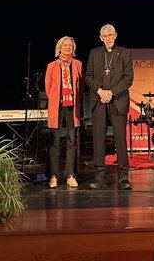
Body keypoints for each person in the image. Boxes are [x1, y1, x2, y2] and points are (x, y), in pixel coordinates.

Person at [85, 24, 134, 190]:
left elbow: (128, 79)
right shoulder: (94, 52)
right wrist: (100, 91)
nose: (107, 38)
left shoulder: (125, 52)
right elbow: (88, 77)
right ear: (100, 37)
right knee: (98, 139)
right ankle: (99, 178)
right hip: (98, 100)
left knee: (120, 138)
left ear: (115, 35)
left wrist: (111, 92)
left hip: (117, 99)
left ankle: (123, 177)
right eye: (104, 36)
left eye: (110, 35)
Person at [45, 36, 83, 189]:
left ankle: (70, 175)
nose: (67, 47)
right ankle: (54, 175)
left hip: (72, 106)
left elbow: (80, 86)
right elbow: (48, 87)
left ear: (73, 49)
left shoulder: (78, 64)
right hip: (57, 106)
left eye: (70, 45)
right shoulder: (52, 66)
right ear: (59, 47)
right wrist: (56, 99)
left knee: (71, 141)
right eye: (65, 45)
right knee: (54, 141)